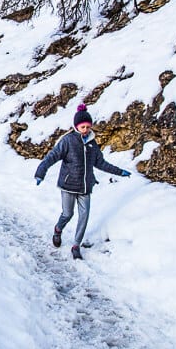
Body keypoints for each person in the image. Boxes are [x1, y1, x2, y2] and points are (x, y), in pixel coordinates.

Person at [35, 104, 131, 260]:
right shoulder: (67, 141)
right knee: (67, 214)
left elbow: (101, 163)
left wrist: (119, 171)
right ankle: (58, 229)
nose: (85, 129)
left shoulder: (93, 144)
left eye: (88, 126)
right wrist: (41, 172)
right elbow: (52, 156)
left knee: (84, 216)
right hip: (68, 185)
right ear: (76, 126)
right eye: (82, 126)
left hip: (86, 186)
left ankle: (76, 245)